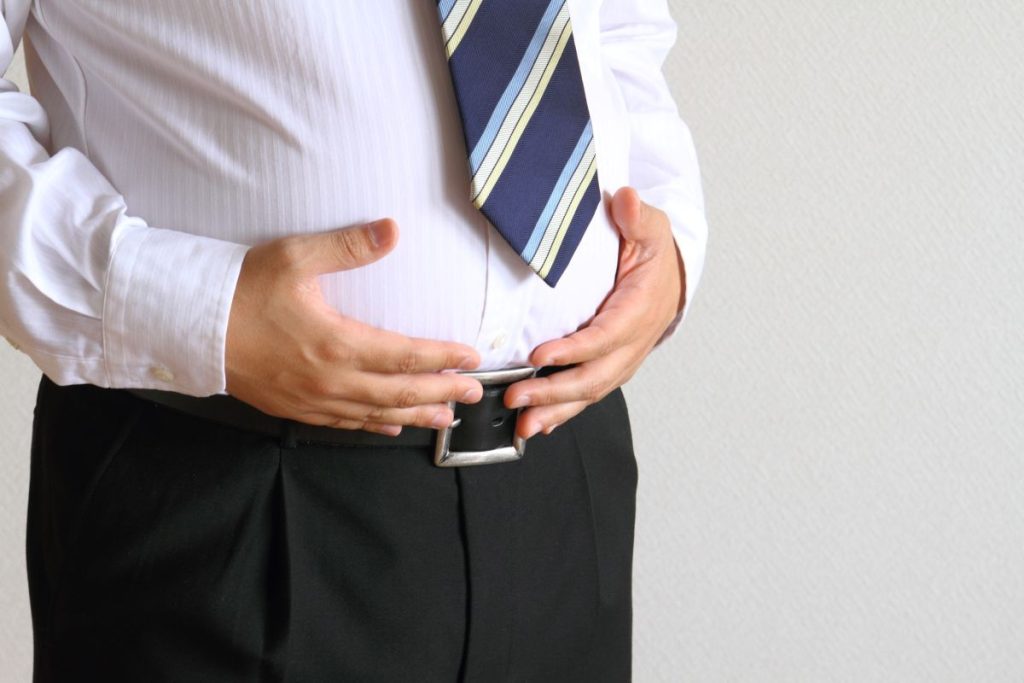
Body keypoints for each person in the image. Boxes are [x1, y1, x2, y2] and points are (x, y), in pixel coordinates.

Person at [1, 1, 707, 680]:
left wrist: (668, 226)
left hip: (564, 482)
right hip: (223, 487)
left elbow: (618, 28)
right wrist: (194, 309)